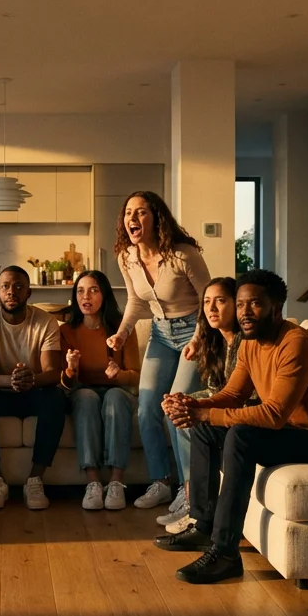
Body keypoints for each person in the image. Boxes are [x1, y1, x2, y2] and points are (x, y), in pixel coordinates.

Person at [157, 269, 308, 584]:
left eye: (255, 304)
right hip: (291, 431)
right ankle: (204, 526)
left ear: (275, 307)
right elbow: (232, 395)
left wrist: (206, 414)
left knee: (241, 436)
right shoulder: (250, 342)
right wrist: (193, 406)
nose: (245, 313)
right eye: (240, 305)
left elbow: (274, 415)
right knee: (206, 430)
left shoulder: (295, 344)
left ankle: (225, 553)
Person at [106, 190, 211, 519]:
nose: (133, 219)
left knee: (177, 409)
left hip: (194, 331)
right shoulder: (127, 257)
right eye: (128, 213)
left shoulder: (183, 255)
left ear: (156, 218)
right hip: (161, 335)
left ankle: (189, 491)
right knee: (147, 407)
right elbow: (137, 301)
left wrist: (198, 339)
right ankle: (161, 481)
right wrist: (122, 334)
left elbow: (210, 300)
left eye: (140, 213)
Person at [0, 266, 67, 510]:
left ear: (29, 292)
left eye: (19, 287)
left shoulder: (46, 322)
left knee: (56, 396)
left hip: (34, 392)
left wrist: (29, 380)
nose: (12, 292)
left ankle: (35, 479)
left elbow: (53, 373)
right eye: (5, 286)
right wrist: (10, 381)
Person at [158, 276, 240, 534]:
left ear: (237, 304)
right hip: (227, 408)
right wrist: (182, 401)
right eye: (206, 302)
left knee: (191, 421)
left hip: (241, 415)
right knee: (181, 416)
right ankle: (192, 502)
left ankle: (196, 508)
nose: (212, 308)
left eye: (220, 301)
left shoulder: (244, 342)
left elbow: (237, 397)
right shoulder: (215, 341)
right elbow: (216, 391)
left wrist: (192, 406)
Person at [60, 270, 139, 511]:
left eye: (94, 290)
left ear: (104, 295)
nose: (86, 296)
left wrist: (119, 374)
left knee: (114, 397)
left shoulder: (122, 328)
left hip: (118, 391)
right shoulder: (66, 330)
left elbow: (135, 376)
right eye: (80, 291)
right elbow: (64, 384)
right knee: (85, 397)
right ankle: (92, 481)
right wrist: (71, 370)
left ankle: (116, 481)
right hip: (83, 391)